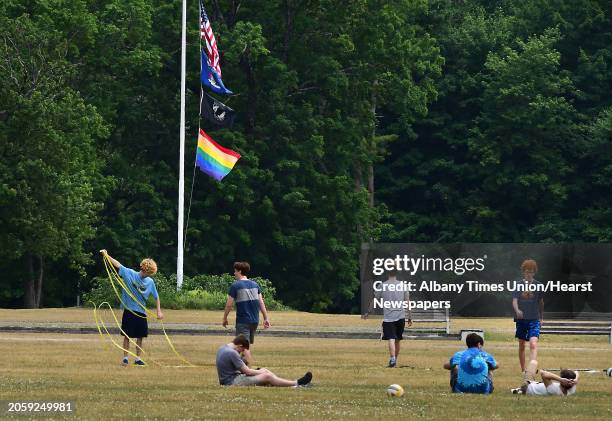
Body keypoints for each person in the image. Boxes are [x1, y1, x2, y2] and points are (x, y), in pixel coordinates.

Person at [100, 249, 163, 366]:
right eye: (146, 272)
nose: (147, 275)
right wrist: (107, 255)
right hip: (129, 311)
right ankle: (125, 358)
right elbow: (118, 264)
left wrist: (159, 311)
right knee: (127, 335)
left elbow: (156, 297)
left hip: (141, 313)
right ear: (143, 269)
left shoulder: (150, 282)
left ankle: (138, 359)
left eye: (149, 274)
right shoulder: (129, 273)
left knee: (140, 336)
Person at [222, 261, 270, 366]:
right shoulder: (255, 284)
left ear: (240, 271)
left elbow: (229, 304)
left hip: (243, 320)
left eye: (235, 271)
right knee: (244, 345)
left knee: (243, 346)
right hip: (254, 321)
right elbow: (261, 302)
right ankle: (240, 364)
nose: (234, 273)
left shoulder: (235, 286)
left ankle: (249, 368)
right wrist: (266, 318)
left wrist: (225, 318)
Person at [216, 335, 312, 387]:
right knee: (267, 375)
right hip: (231, 382)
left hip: (228, 379)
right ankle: (297, 383)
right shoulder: (232, 353)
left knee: (264, 371)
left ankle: (285, 383)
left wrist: (259, 370)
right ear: (240, 345)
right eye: (242, 350)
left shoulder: (222, 348)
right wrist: (261, 371)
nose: (242, 352)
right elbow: (247, 371)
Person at [364, 269, 412, 367]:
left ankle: (392, 359)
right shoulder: (403, 285)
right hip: (401, 317)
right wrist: (409, 316)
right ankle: (394, 361)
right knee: (398, 339)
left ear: (387, 273)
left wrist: (368, 311)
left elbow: (375, 299)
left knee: (391, 338)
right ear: (397, 273)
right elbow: (407, 301)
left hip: (388, 318)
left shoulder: (383, 285)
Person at [512, 259, 544, 372]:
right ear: (523, 272)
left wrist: (541, 318)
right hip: (521, 319)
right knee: (521, 345)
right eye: (527, 271)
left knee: (533, 344)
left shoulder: (539, 285)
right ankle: (523, 370)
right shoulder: (518, 285)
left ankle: (531, 369)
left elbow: (541, 302)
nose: (529, 274)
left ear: (534, 272)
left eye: (531, 271)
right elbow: (514, 300)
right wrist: (517, 310)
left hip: (534, 318)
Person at [511, 360, 578, 396]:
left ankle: (519, 390)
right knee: (534, 363)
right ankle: (518, 390)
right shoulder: (571, 390)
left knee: (533, 362)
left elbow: (543, 373)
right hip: (535, 383)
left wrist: (560, 379)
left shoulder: (554, 391)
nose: (572, 382)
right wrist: (576, 380)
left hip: (526, 387)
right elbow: (576, 372)